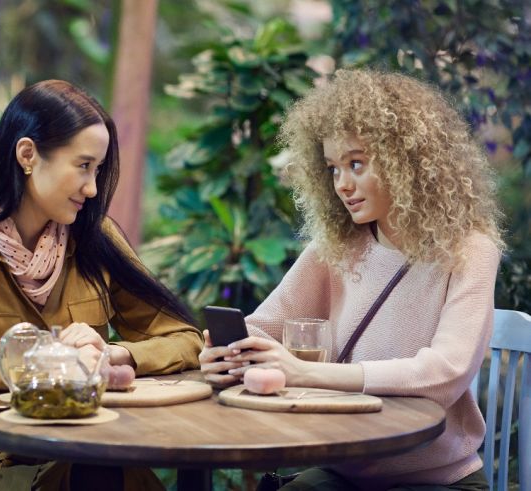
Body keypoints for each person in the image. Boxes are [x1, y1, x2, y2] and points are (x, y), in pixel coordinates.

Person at [200, 69, 502, 490]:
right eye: (333, 168)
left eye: (356, 164)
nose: (342, 184)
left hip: (436, 478)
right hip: (343, 469)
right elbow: (263, 328)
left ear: (405, 160)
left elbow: (444, 373)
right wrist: (228, 356)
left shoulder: (469, 249)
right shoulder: (337, 246)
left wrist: (305, 374)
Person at [0, 79, 203, 490]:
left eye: (98, 169)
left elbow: (186, 339)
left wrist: (114, 354)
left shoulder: (97, 240)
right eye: (83, 166)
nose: (92, 188)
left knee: (103, 475)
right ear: (28, 155)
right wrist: (48, 365)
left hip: (90, 448)